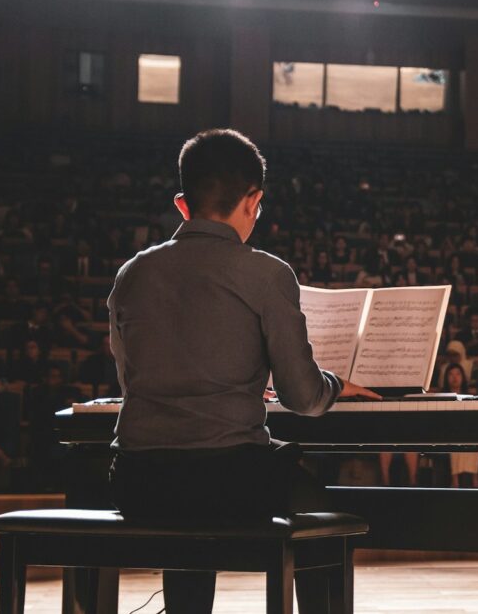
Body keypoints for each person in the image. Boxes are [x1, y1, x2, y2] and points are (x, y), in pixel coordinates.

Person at [106, 129, 380, 614]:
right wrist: (335, 384)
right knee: (320, 509)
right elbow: (300, 396)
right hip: (227, 481)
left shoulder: (132, 273)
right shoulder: (265, 272)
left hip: (138, 481)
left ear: (182, 204)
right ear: (254, 201)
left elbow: (131, 381)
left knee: (187, 499)